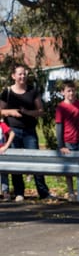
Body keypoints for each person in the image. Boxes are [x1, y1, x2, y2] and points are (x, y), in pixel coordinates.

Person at [0, 63, 53, 202]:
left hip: (29, 131)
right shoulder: (7, 92)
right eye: (20, 74)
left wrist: (28, 112)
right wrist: (11, 112)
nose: (23, 76)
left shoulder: (32, 90)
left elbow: (41, 111)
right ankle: (19, 192)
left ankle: (43, 191)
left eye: (24, 73)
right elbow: (1, 110)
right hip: (13, 131)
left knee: (36, 160)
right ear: (13, 76)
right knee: (15, 162)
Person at [55, 80, 79, 202]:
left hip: (78, 140)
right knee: (69, 169)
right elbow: (59, 126)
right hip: (67, 141)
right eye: (68, 91)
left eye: (73, 90)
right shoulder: (61, 107)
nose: (71, 93)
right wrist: (61, 145)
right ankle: (71, 192)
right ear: (63, 93)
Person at [0, 117, 15, 200]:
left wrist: (6, 146)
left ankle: (5, 191)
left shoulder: (2, 125)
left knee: (3, 173)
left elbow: (12, 133)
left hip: (1, 152)